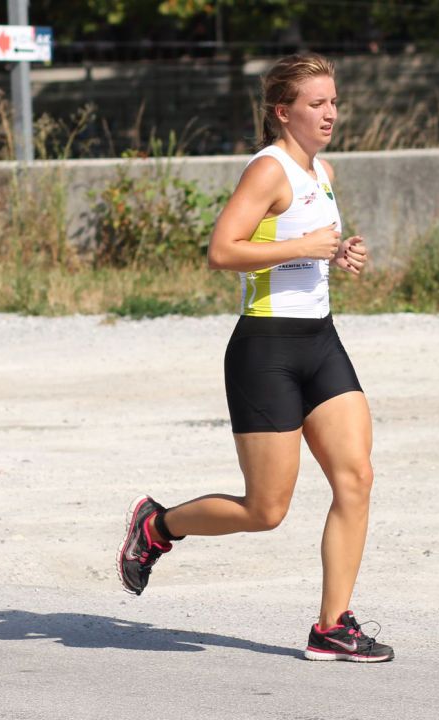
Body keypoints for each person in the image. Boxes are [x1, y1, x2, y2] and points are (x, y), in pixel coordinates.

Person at [116, 53, 393, 663]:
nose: (330, 113)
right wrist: (305, 245)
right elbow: (222, 250)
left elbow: (301, 252)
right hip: (265, 349)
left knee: (357, 477)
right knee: (265, 509)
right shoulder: (268, 171)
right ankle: (158, 527)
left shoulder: (323, 171)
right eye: (317, 103)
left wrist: (337, 254)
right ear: (283, 111)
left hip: (320, 341)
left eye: (334, 101)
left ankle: (332, 625)